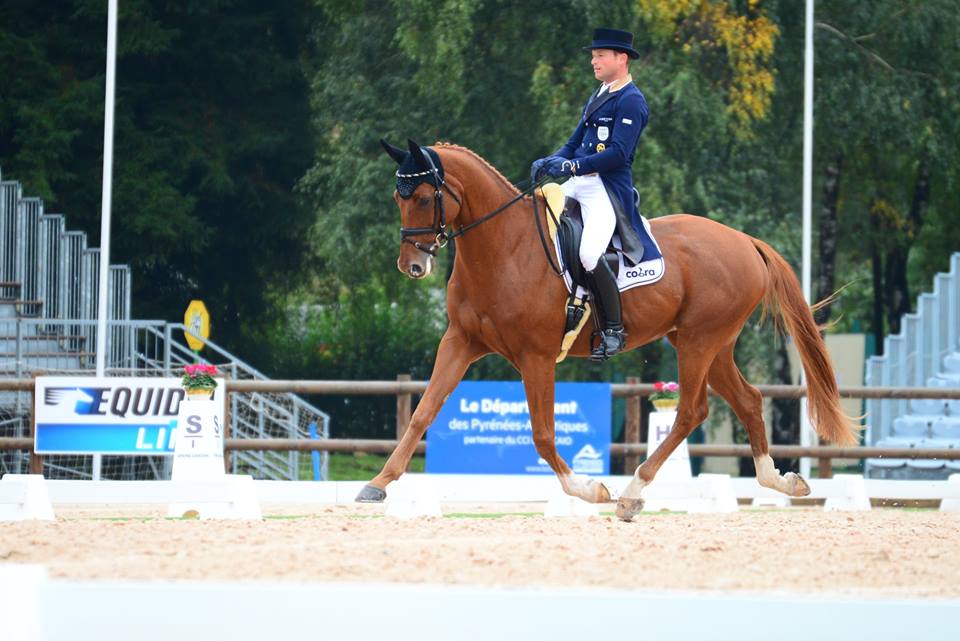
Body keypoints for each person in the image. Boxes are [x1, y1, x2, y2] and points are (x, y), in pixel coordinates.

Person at [531, 27, 649, 360]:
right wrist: (553, 159)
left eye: (600, 55)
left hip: (606, 189)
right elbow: (574, 141)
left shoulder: (631, 100)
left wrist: (571, 168)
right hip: (579, 180)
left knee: (588, 254)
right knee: (539, 223)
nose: (593, 61)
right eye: (593, 56)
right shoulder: (599, 93)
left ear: (621, 58)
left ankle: (613, 329)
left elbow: (617, 154)